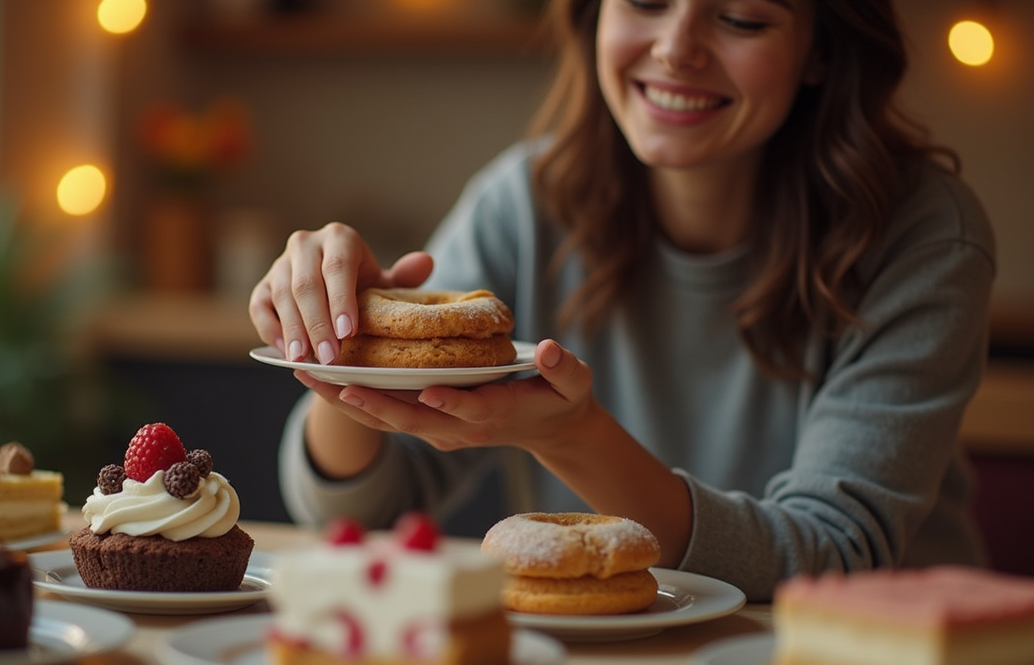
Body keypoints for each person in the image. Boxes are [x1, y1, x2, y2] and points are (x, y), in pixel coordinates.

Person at [249, 0, 994, 600]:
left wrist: (573, 436)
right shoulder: (527, 203)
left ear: (822, 50)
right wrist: (349, 350)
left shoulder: (926, 236)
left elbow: (832, 559)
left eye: (741, 19)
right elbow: (357, 512)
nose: (677, 48)